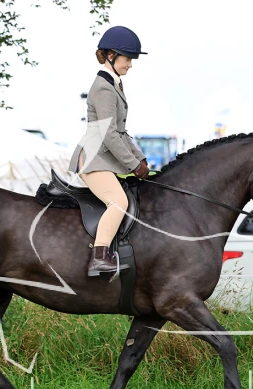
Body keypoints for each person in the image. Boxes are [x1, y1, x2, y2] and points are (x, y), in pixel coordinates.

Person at [68, 26, 149, 277]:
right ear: (111, 56)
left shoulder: (114, 84)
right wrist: (133, 165)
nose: (130, 65)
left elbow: (121, 132)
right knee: (119, 202)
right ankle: (99, 257)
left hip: (103, 157)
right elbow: (109, 134)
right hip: (93, 158)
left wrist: (140, 158)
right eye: (127, 59)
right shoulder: (103, 87)